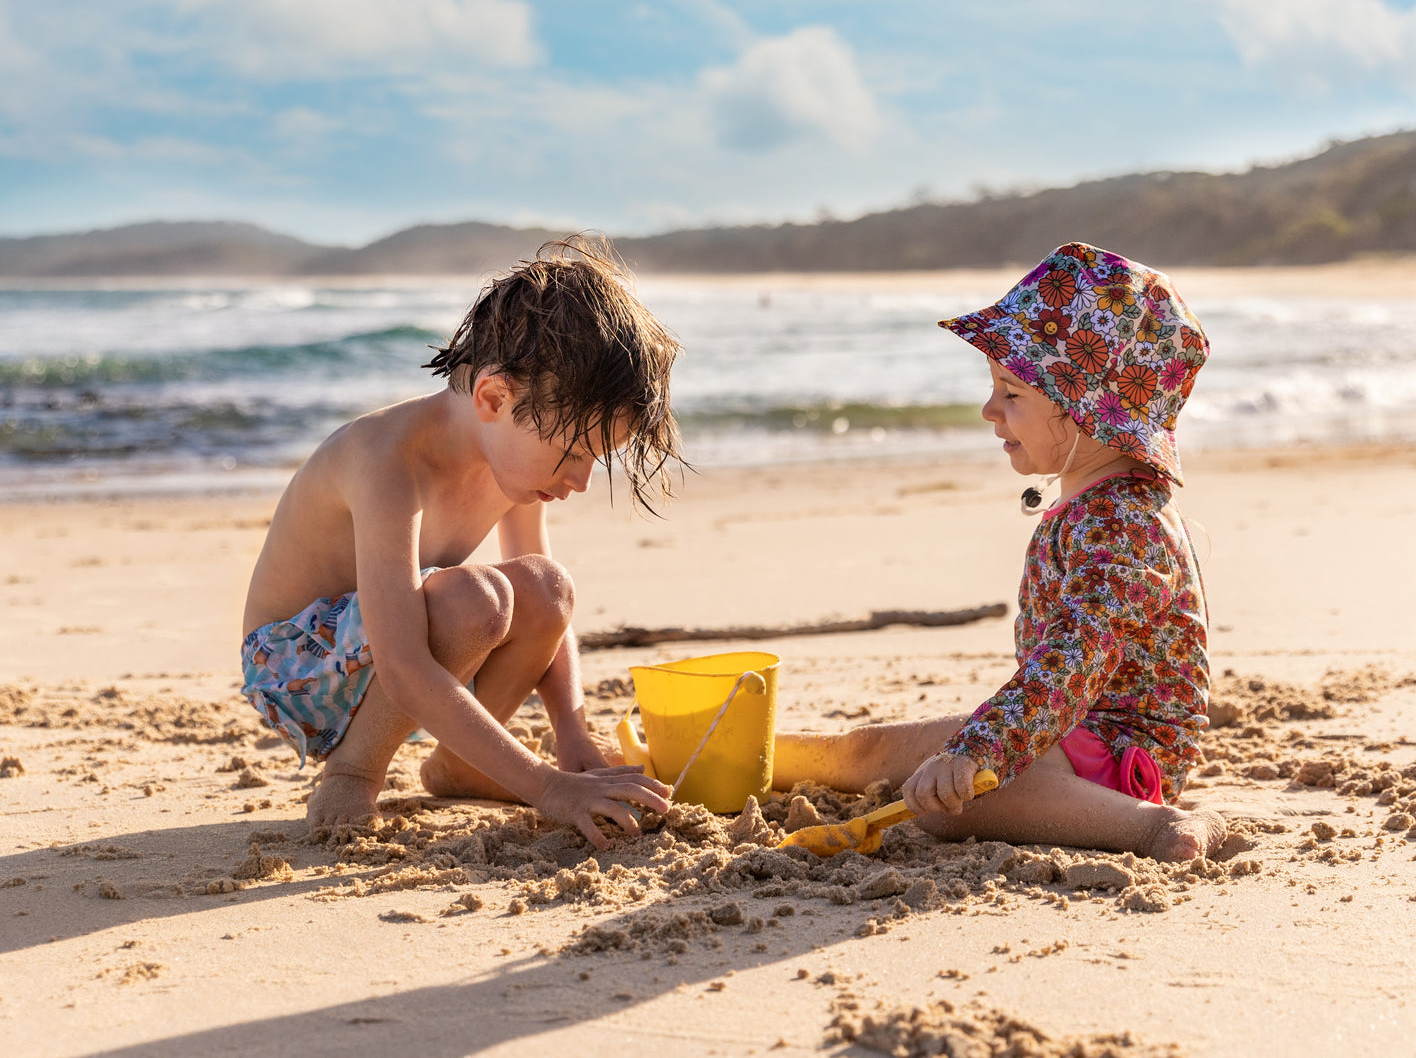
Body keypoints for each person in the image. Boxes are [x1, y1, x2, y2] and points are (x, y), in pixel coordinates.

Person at [773, 241, 1225, 862]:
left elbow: (1073, 661)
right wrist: (977, 744)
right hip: (1069, 732)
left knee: (954, 807)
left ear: (1083, 411)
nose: (989, 411)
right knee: (872, 752)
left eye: (1012, 393)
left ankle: (1151, 827)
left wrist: (981, 750)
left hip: (1121, 762)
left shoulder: (1121, 524)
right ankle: (754, 756)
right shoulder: (1096, 504)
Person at [240, 236, 680, 849]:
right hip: (295, 670)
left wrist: (571, 734)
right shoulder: (387, 462)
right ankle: (353, 769)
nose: (580, 481)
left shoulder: (510, 464)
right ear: (494, 397)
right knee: (475, 598)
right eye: (573, 455)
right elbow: (402, 662)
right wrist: (548, 788)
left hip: (389, 660)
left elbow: (548, 614)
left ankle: (462, 766)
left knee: (548, 588)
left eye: (593, 461)